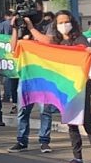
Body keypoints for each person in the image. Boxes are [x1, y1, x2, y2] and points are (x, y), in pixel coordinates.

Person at [43, 11, 91, 163]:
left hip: (82, 86)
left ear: (72, 22)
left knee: (86, 122)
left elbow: (87, 49)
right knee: (71, 123)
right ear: (56, 25)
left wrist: (89, 51)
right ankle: (77, 157)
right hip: (65, 87)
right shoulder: (56, 42)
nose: (64, 25)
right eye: (60, 22)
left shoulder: (78, 38)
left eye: (66, 21)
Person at [8, 10, 57, 153]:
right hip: (27, 77)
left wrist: (31, 28)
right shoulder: (21, 30)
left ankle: (44, 141)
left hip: (44, 76)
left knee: (45, 111)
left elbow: (48, 41)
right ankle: (21, 141)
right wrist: (15, 29)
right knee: (23, 111)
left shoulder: (47, 26)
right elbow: (13, 48)